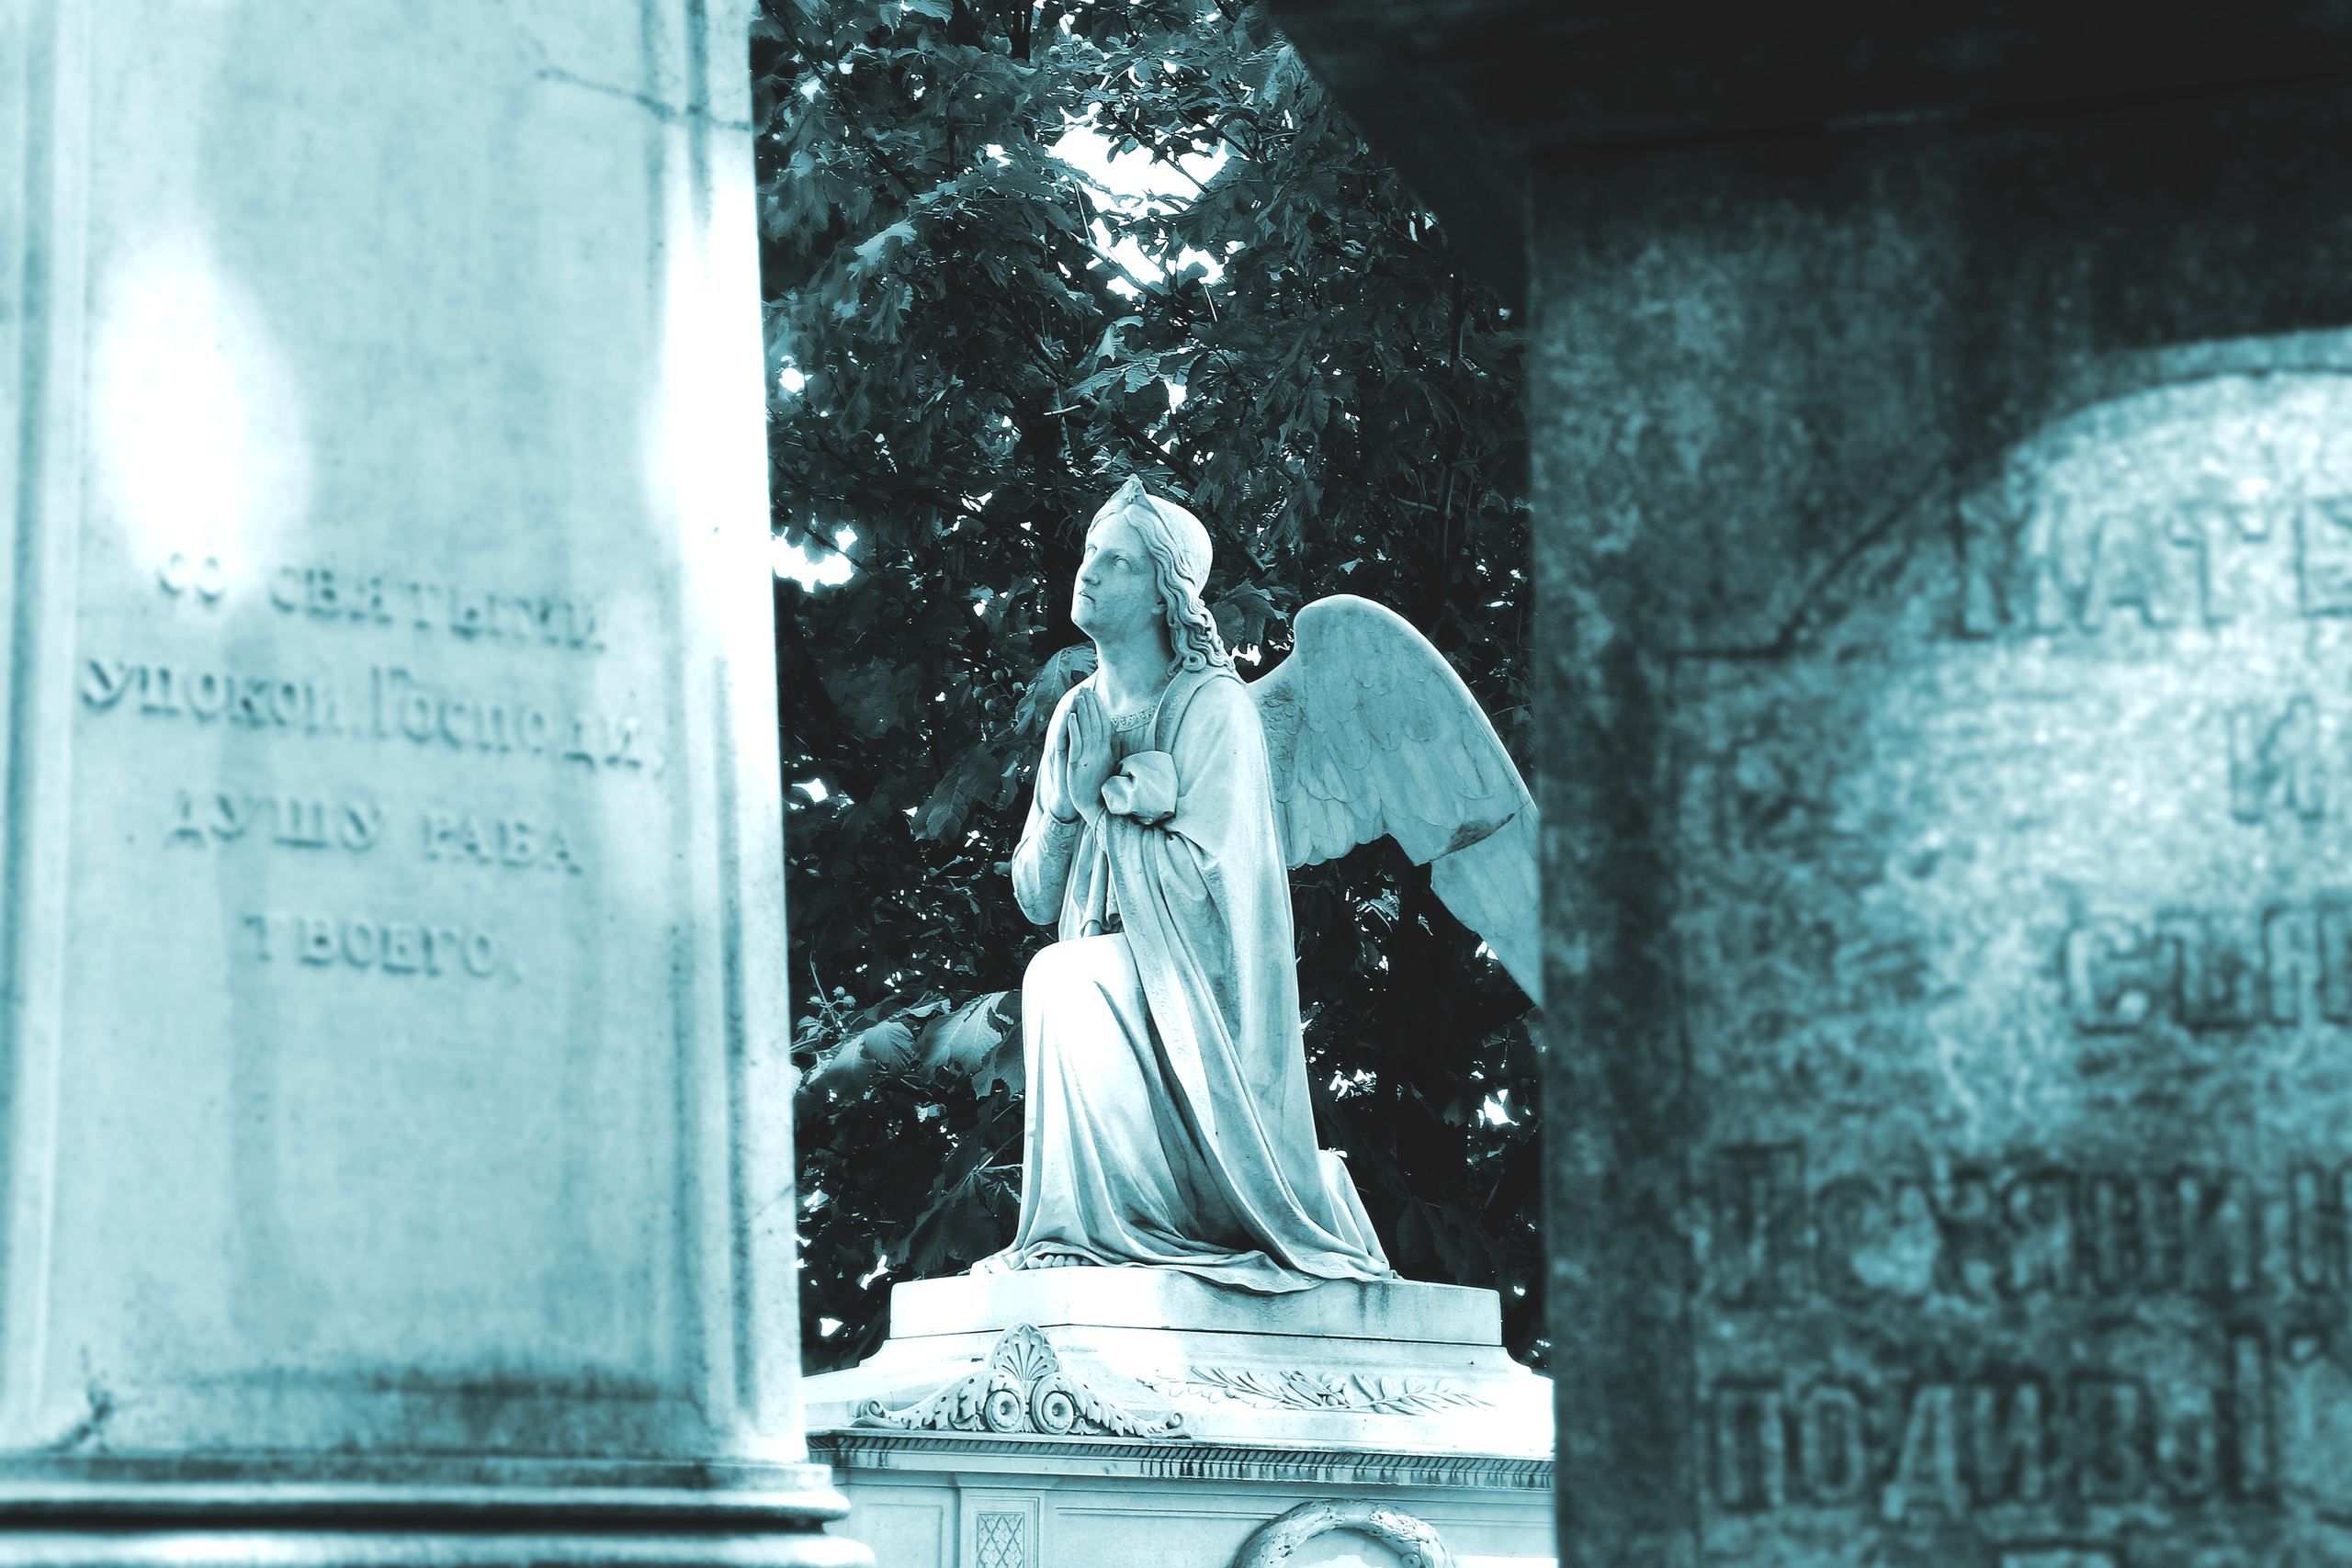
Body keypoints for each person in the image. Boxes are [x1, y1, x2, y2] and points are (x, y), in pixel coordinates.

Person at [975, 478, 1394, 1292]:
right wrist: (1065, 806)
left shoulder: (1214, 708)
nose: (1089, 570)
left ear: (1166, 594)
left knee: (1065, 977)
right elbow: (1034, 896)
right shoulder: (1075, 713)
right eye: (1090, 551)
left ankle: (1113, 1229)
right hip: (1114, 968)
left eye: (1119, 562)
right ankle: (1090, 1232)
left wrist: (1102, 807)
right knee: (1063, 972)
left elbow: (1213, 895)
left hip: (1203, 999)